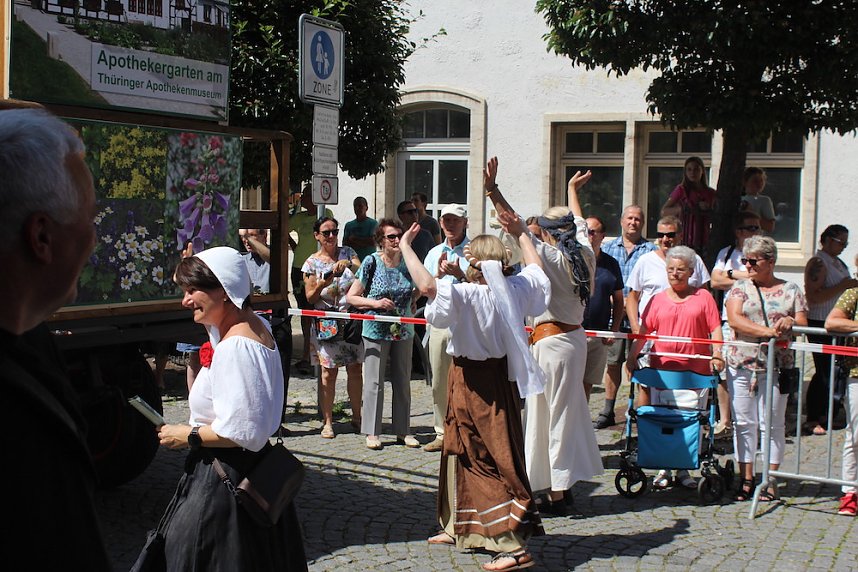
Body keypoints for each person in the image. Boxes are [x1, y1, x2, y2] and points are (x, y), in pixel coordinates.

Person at [134, 246, 307, 570]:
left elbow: (244, 432)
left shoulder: (235, 348)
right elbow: (220, 322)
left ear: (224, 292)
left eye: (192, 290)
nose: (185, 300)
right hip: (246, 471)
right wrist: (191, 264)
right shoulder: (255, 326)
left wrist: (185, 435)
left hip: (225, 482)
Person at [399, 209, 549, 572]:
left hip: (479, 382)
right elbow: (538, 274)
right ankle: (460, 527)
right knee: (460, 448)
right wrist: (521, 235)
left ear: (476, 264)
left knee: (490, 456)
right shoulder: (515, 288)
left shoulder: (467, 294)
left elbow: (426, 288)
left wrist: (407, 246)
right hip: (482, 379)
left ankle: (512, 544)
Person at [0, 107, 111, 570]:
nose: (94, 236)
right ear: (42, 236)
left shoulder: (30, 344)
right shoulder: (14, 415)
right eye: (89, 216)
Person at [486, 157, 603, 516]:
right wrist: (571, 190)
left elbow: (517, 224)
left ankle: (557, 492)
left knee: (552, 417)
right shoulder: (584, 252)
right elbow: (578, 221)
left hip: (553, 345)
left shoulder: (552, 258)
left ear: (550, 234)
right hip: (572, 341)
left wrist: (493, 190)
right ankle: (557, 485)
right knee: (562, 414)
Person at [626, 246, 724, 490]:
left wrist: (718, 354)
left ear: (691, 271)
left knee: (689, 420)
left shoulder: (704, 298)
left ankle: (684, 466)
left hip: (695, 372)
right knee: (663, 420)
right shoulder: (658, 300)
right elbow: (644, 331)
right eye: (670, 269)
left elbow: (715, 329)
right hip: (663, 370)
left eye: (680, 270)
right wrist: (632, 356)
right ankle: (664, 467)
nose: (675, 274)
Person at [725, 236, 808, 501]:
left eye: (753, 260)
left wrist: (789, 320)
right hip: (743, 363)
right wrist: (768, 332)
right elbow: (735, 319)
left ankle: (769, 479)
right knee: (744, 422)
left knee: (772, 423)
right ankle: (746, 478)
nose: (747, 265)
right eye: (745, 260)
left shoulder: (791, 289)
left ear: (770, 262)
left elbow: (802, 322)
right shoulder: (740, 288)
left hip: (777, 366)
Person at [346, 219, 419, 450]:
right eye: (391, 236)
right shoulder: (371, 262)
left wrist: (413, 301)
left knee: (402, 380)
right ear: (381, 240)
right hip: (376, 329)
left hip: (404, 328)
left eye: (399, 235)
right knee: (374, 381)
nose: (397, 240)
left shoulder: (408, 261)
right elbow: (352, 297)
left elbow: (418, 288)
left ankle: (403, 430)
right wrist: (375, 303)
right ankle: (372, 431)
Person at [596, 205, 658, 429]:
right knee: (613, 364)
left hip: (641, 318)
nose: (633, 222)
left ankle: (642, 411)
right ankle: (608, 409)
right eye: (629, 218)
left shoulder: (651, 251)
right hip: (613, 315)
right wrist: (616, 303)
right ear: (621, 221)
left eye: (638, 219)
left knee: (641, 364)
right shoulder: (608, 248)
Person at [302, 217, 363, 439]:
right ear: (316, 235)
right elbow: (309, 297)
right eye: (326, 232)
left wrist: (348, 263)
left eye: (334, 232)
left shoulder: (348, 252)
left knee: (355, 368)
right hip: (326, 321)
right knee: (328, 372)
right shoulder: (311, 263)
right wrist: (323, 283)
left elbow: (363, 270)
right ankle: (328, 421)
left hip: (350, 319)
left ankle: (357, 417)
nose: (331, 236)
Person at [710, 212, 763, 438]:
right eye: (751, 228)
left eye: (758, 228)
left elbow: (760, 277)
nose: (756, 232)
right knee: (723, 369)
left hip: (754, 321)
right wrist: (742, 275)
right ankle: (725, 419)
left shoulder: (762, 254)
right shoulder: (727, 253)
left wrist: (731, 274)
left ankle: (750, 419)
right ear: (739, 232)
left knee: (752, 370)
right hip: (727, 319)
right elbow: (715, 281)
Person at [804, 224, 858, 435]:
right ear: (826, 240)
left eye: (846, 243)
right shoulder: (818, 262)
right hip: (821, 321)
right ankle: (813, 416)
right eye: (840, 242)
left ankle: (830, 412)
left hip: (839, 324)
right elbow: (814, 295)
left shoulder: (838, 263)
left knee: (836, 369)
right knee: (824, 369)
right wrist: (843, 286)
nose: (843, 246)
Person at [626, 216, 710, 339]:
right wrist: (635, 326)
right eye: (660, 235)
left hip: (686, 334)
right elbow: (632, 297)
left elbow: (705, 296)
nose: (665, 239)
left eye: (670, 235)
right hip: (650, 334)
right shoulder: (645, 261)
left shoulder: (694, 260)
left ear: (680, 236)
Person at [823, 273, 858, 517]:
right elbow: (832, 323)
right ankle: (850, 492)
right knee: (856, 434)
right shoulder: (854, 294)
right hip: (857, 372)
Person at [290, 186, 333, 374]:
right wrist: (295, 246)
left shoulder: (325, 213)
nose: (304, 200)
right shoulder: (299, 218)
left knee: (320, 309)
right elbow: (284, 230)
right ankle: (306, 354)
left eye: (307, 196)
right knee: (305, 312)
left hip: (319, 267)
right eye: (304, 196)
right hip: (300, 267)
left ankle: (322, 351)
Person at [582, 216, 624, 402]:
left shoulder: (611, 264)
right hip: (574, 331)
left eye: (592, 232)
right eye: (585, 231)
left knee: (587, 383)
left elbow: (619, 299)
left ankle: (580, 425)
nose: (588, 236)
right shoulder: (573, 261)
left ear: (602, 236)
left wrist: (613, 330)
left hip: (598, 334)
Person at [661, 156, 716, 254]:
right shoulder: (681, 190)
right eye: (689, 169)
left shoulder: (710, 193)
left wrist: (708, 209)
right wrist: (681, 209)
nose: (692, 173)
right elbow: (664, 211)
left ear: (702, 171)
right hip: (684, 239)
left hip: (704, 242)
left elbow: (716, 217)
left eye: (696, 169)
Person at [739, 167, 776, 233]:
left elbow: (770, 227)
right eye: (755, 181)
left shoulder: (764, 200)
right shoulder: (737, 199)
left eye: (761, 180)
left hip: (755, 238)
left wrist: (751, 212)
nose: (759, 184)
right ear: (745, 182)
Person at [343, 196, 378, 260]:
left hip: (369, 261)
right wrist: (364, 241)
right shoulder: (349, 225)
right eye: (355, 206)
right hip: (353, 262)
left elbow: (373, 242)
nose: (357, 208)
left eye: (360, 206)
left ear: (366, 208)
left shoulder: (373, 224)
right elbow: (346, 245)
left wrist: (355, 239)